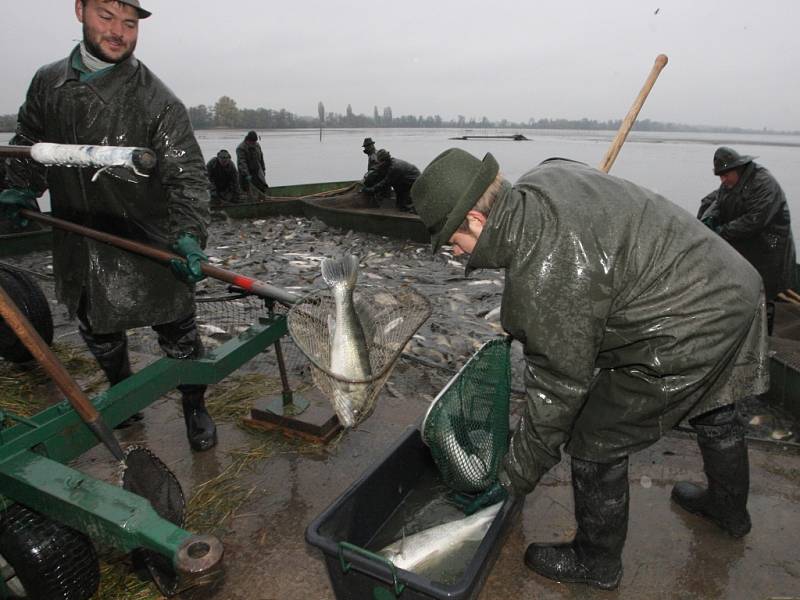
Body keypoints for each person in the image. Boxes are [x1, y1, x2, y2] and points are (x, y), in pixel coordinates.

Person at [411, 148, 769, 591]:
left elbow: (558, 391)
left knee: (595, 435)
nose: (458, 253)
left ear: (477, 221)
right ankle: (729, 511)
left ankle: (597, 560)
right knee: (717, 405)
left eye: (454, 240)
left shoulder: (543, 271)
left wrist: (512, 478)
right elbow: (564, 164)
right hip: (734, 281)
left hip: (693, 318)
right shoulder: (544, 176)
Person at [0, 0, 217, 451]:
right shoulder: (48, 81)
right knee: (99, 332)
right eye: (106, 16)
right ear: (79, 10)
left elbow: (188, 177)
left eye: (130, 23)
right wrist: (22, 186)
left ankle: (195, 405)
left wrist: (189, 236)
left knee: (179, 334)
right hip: (78, 238)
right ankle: (124, 397)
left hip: (148, 242)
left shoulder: (159, 101)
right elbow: (28, 141)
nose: (119, 31)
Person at [698, 146, 796, 306]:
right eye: (720, 177)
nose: (723, 180)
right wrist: (708, 219)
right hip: (747, 243)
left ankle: (765, 315)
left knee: (764, 290)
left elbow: (754, 221)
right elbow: (718, 203)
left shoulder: (763, 183)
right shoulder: (729, 183)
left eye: (725, 175)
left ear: (737, 168)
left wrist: (719, 232)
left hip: (770, 245)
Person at [236, 130, 268, 198]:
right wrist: (247, 174)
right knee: (248, 191)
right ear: (248, 140)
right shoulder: (241, 148)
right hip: (246, 174)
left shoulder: (257, 145)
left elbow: (261, 158)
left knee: (262, 188)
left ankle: (262, 201)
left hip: (257, 171)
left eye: (255, 142)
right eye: (252, 142)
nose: (254, 143)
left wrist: (263, 169)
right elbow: (242, 162)